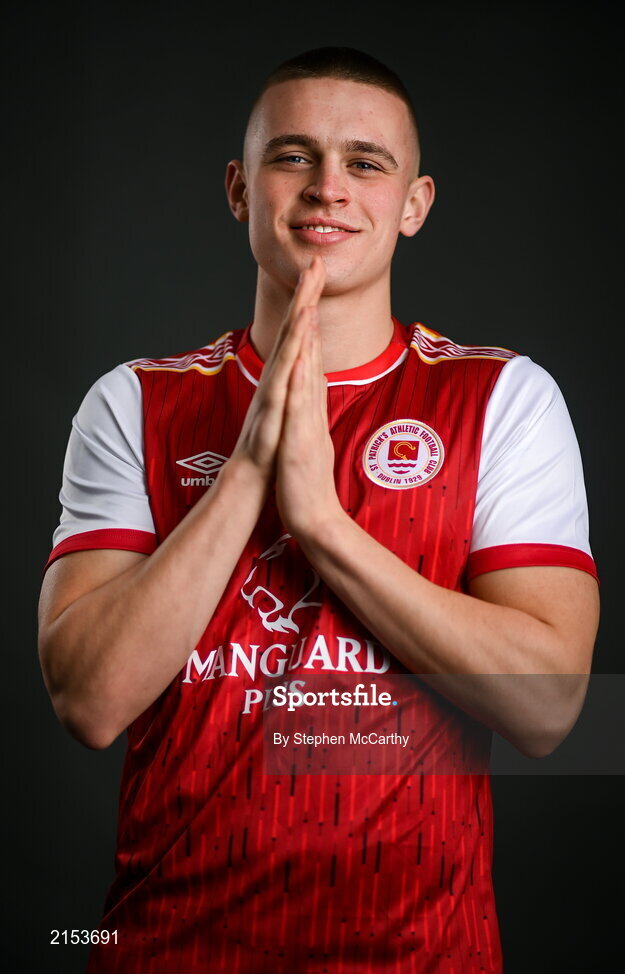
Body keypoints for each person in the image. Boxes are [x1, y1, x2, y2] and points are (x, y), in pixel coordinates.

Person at [38, 45, 599, 974]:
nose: (327, 188)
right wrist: (251, 468)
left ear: (413, 204)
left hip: (423, 956)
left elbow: (548, 711)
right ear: (238, 188)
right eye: (292, 156)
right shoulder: (132, 402)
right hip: (166, 951)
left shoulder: (503, 397)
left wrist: (323, 524)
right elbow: (89, 703)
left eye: (365, 163)